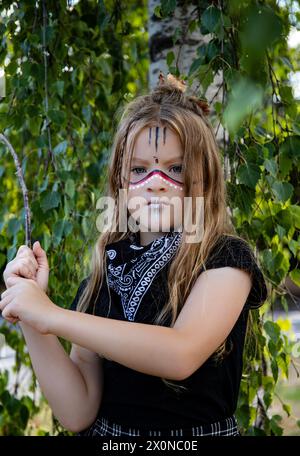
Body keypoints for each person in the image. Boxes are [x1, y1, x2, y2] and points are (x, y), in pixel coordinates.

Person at [0, 72, 268, 437]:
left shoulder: (226, 259)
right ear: (119, 184)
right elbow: (77, 412)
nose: (155, 181)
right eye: (139, 169)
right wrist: (31, 310)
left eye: (175, 168)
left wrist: (51, 316)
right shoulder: (104, 276)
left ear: (204, 178)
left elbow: (180, 354)